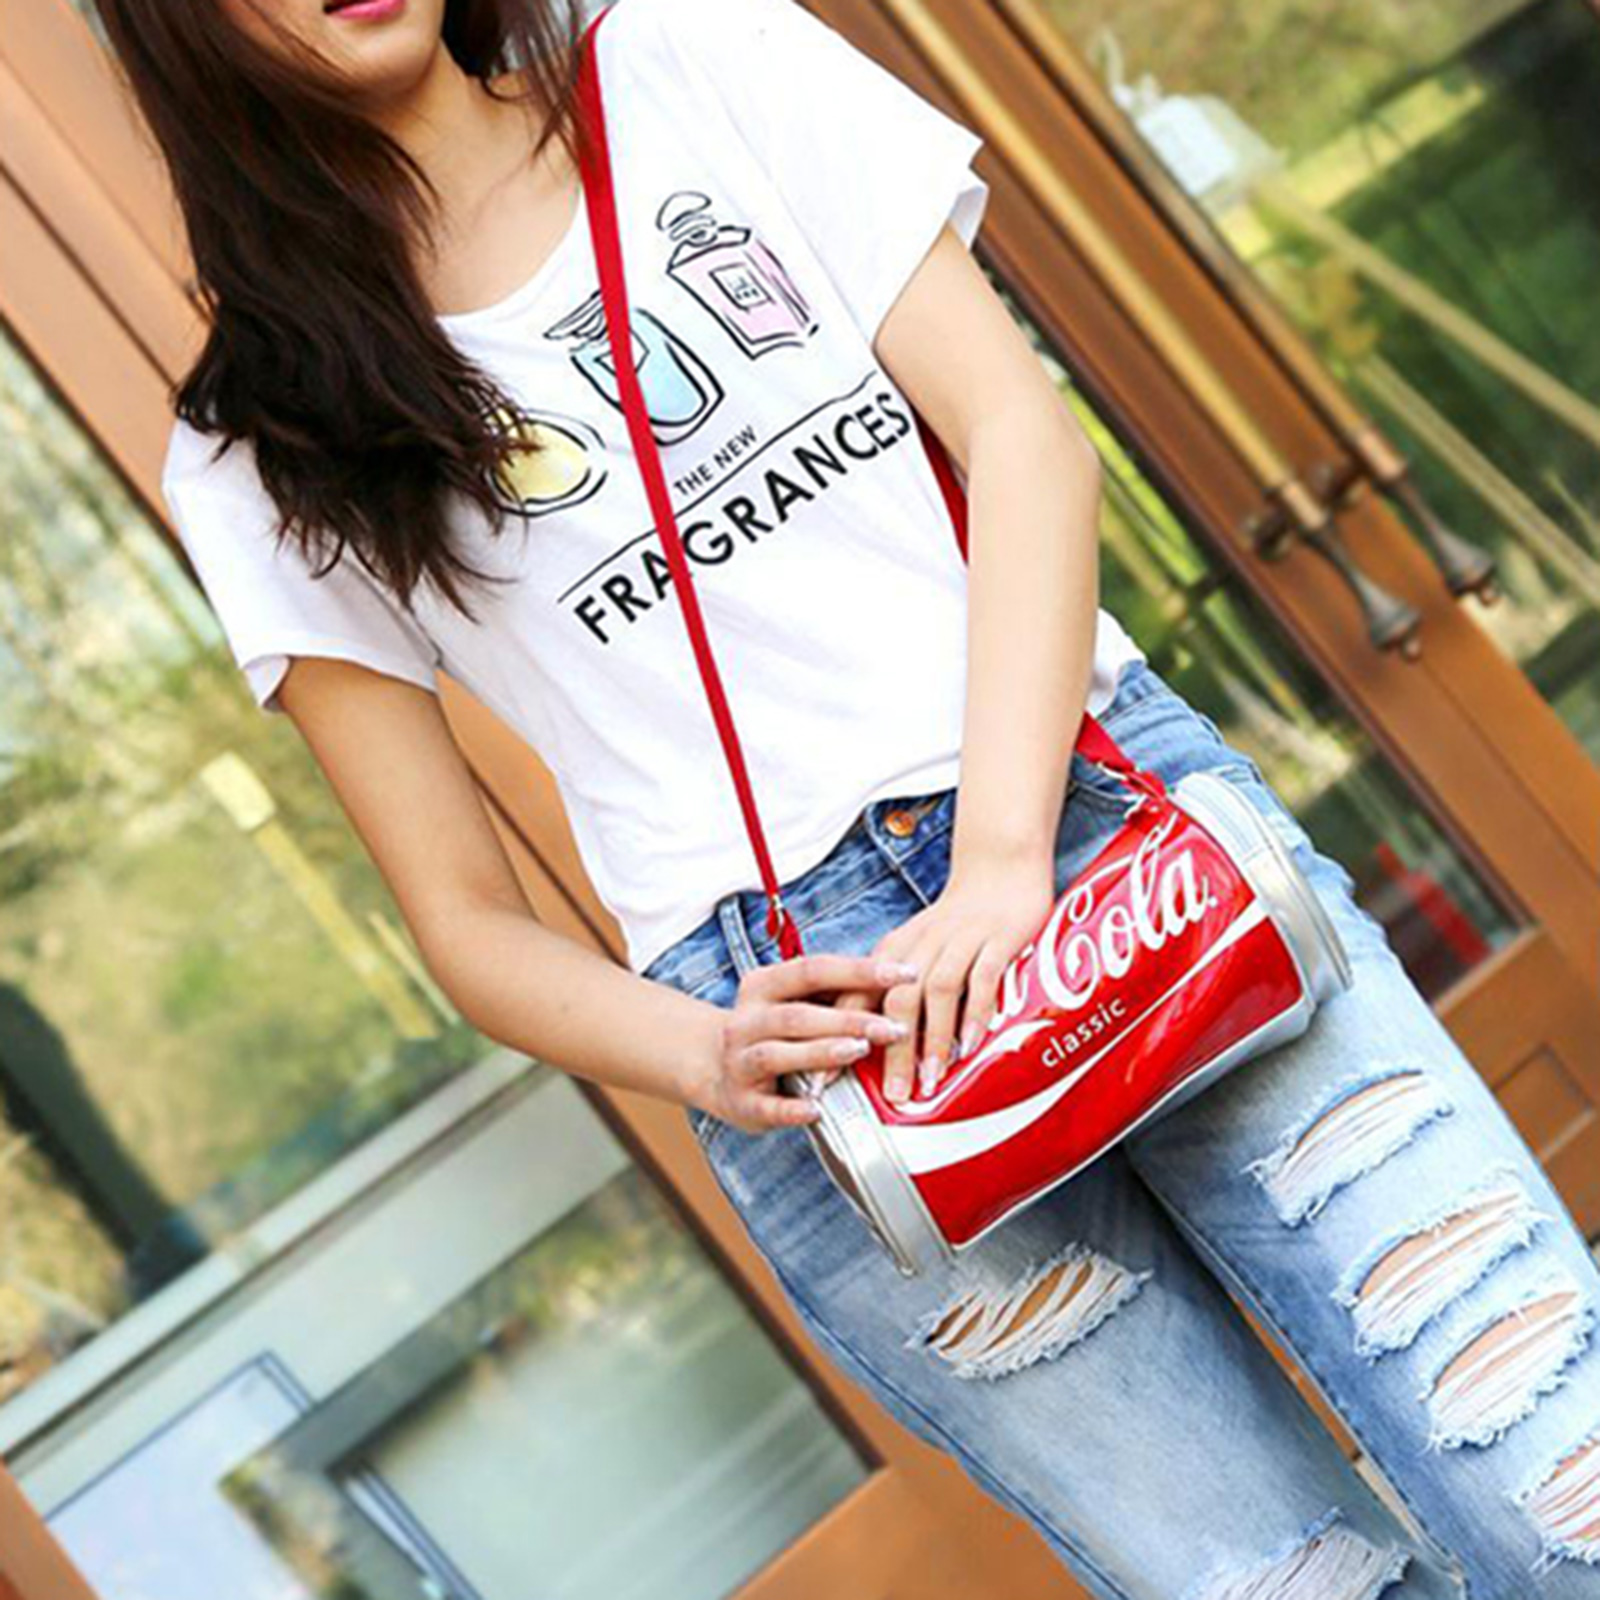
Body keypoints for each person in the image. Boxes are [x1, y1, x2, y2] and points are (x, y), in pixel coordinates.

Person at [99, 0, 1600, 1592]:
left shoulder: (696, 58)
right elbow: (465, 922)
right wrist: (705, 1051)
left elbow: (1026, 440)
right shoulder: (258, 436)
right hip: (811, 1037)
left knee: (1557, 1481)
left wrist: (1003, 856)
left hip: (1091, 835)